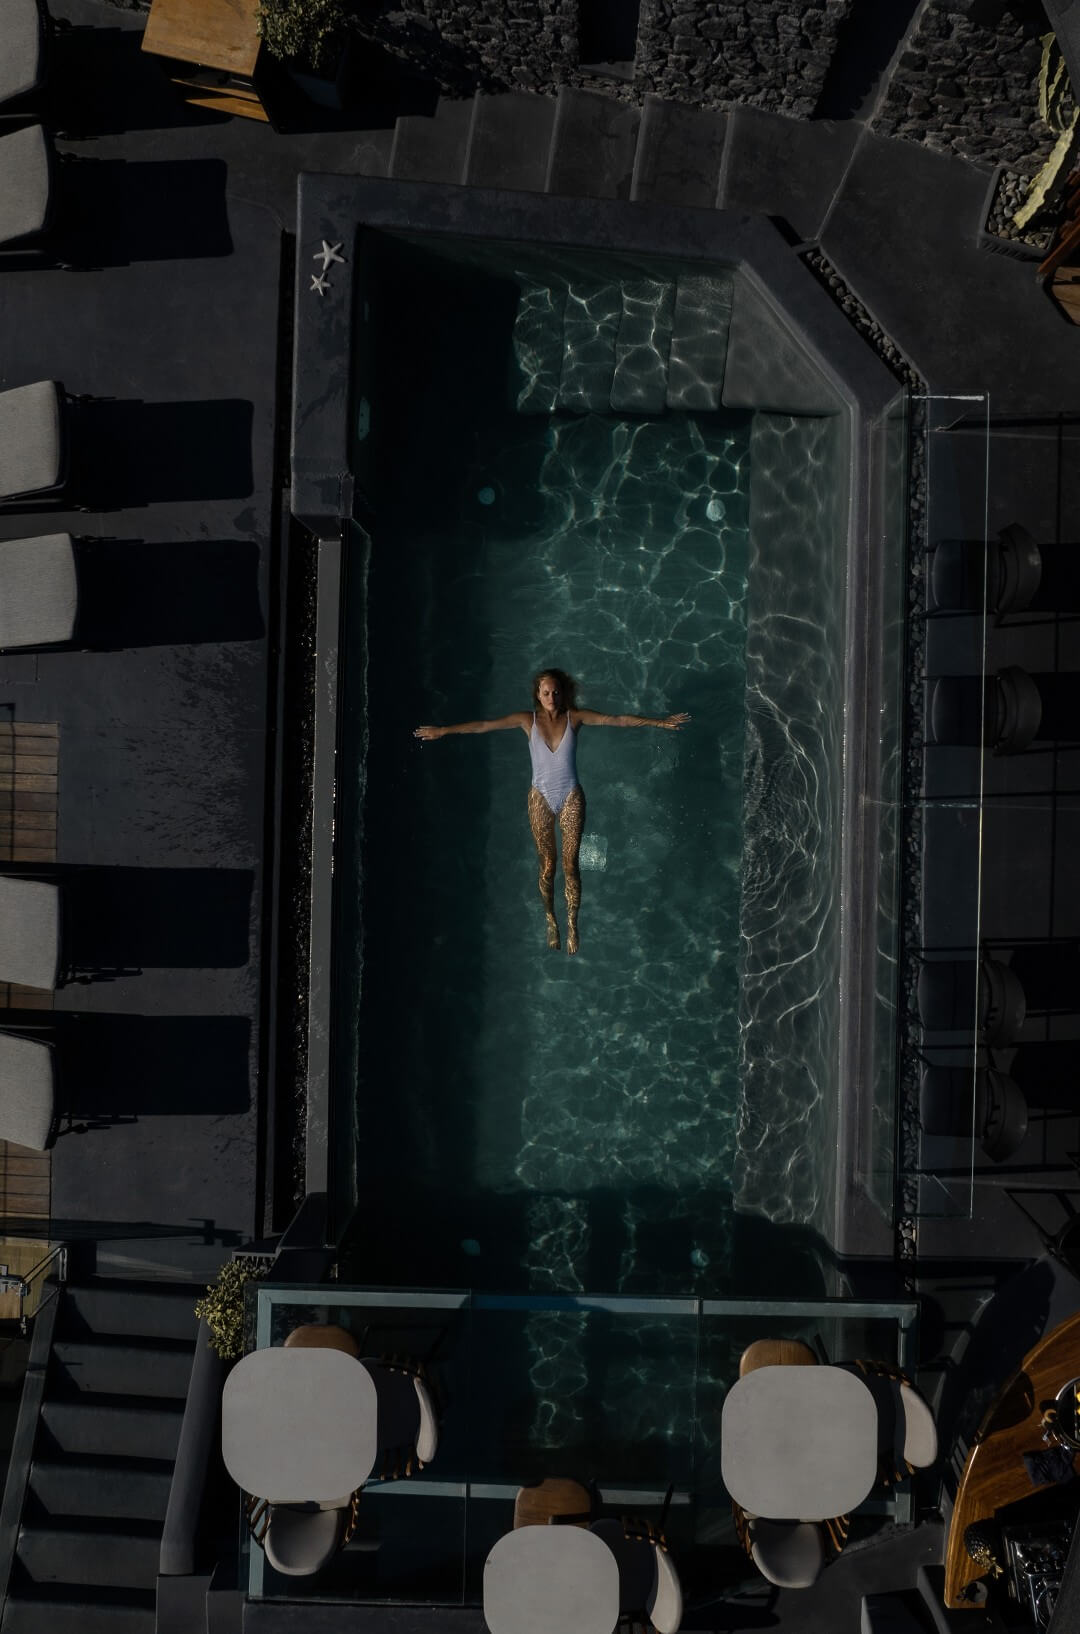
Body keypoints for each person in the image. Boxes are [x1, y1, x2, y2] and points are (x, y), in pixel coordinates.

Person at [414, 669, 689, 954]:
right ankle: (550, 918)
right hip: (540, 798)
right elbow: (484, 725)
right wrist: (443, 731)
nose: (551, 697)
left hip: (571, 797)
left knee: (571, 865)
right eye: (545, 692)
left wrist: (660, 722)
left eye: (556, 692)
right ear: (537, 694)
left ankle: (572, 922)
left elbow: (616, 720)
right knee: (547, 865)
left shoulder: (575, 718)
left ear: (563, 692)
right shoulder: (527, 720)